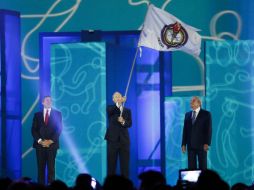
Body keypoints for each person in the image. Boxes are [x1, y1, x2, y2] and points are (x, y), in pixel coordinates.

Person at [32, 96, 62, 185]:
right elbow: (34, 130)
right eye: (47, 100)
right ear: (43, 102)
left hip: (52, 146)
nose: (49, 102)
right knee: (40, 169)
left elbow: (59, 129)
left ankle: (51, 185)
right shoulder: (37, 115)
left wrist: (50, 141)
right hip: (39, 146)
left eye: (50, 100)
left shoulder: (57, 114)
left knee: (51, 168)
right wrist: (41, 141)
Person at [105, 92, 132, 178]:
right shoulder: (110, 108)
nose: (118, 98)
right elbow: (112, 111)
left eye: (119, 96)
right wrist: (118, 104)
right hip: (113, 141)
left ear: (122, 98)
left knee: (125, 166)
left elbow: (129, 124)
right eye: (116, 97)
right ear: (113, 99)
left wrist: (123, 121)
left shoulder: (127, 111)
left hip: (124, 141)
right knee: (111, 165)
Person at [181, 96, 212, 170]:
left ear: (199, 103)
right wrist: (183, 144)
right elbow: (185, 130)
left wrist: (207, 143)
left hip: (202, 145)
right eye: (191, 102)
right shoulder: (187, 115)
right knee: (191, 168)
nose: (191, 103)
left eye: (193, 101)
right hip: (190, 145)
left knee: (203, 166)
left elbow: (209, 129)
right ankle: (192, 181)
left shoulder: (206, 114)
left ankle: (203, 181)